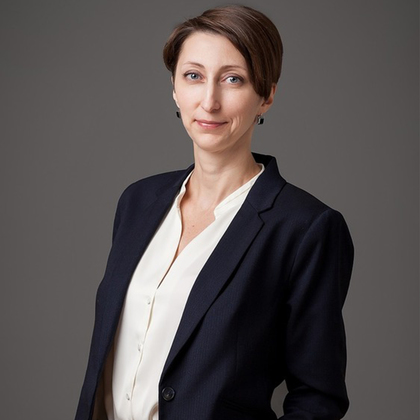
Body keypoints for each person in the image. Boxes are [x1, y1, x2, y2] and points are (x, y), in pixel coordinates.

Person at [75, 5, 354, 420]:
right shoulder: (138, 201)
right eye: (193, 76)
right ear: (174, 88)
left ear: (266, 95)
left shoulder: (305, 228)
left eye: (233, 79)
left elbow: (318, 396)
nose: (209, 101)